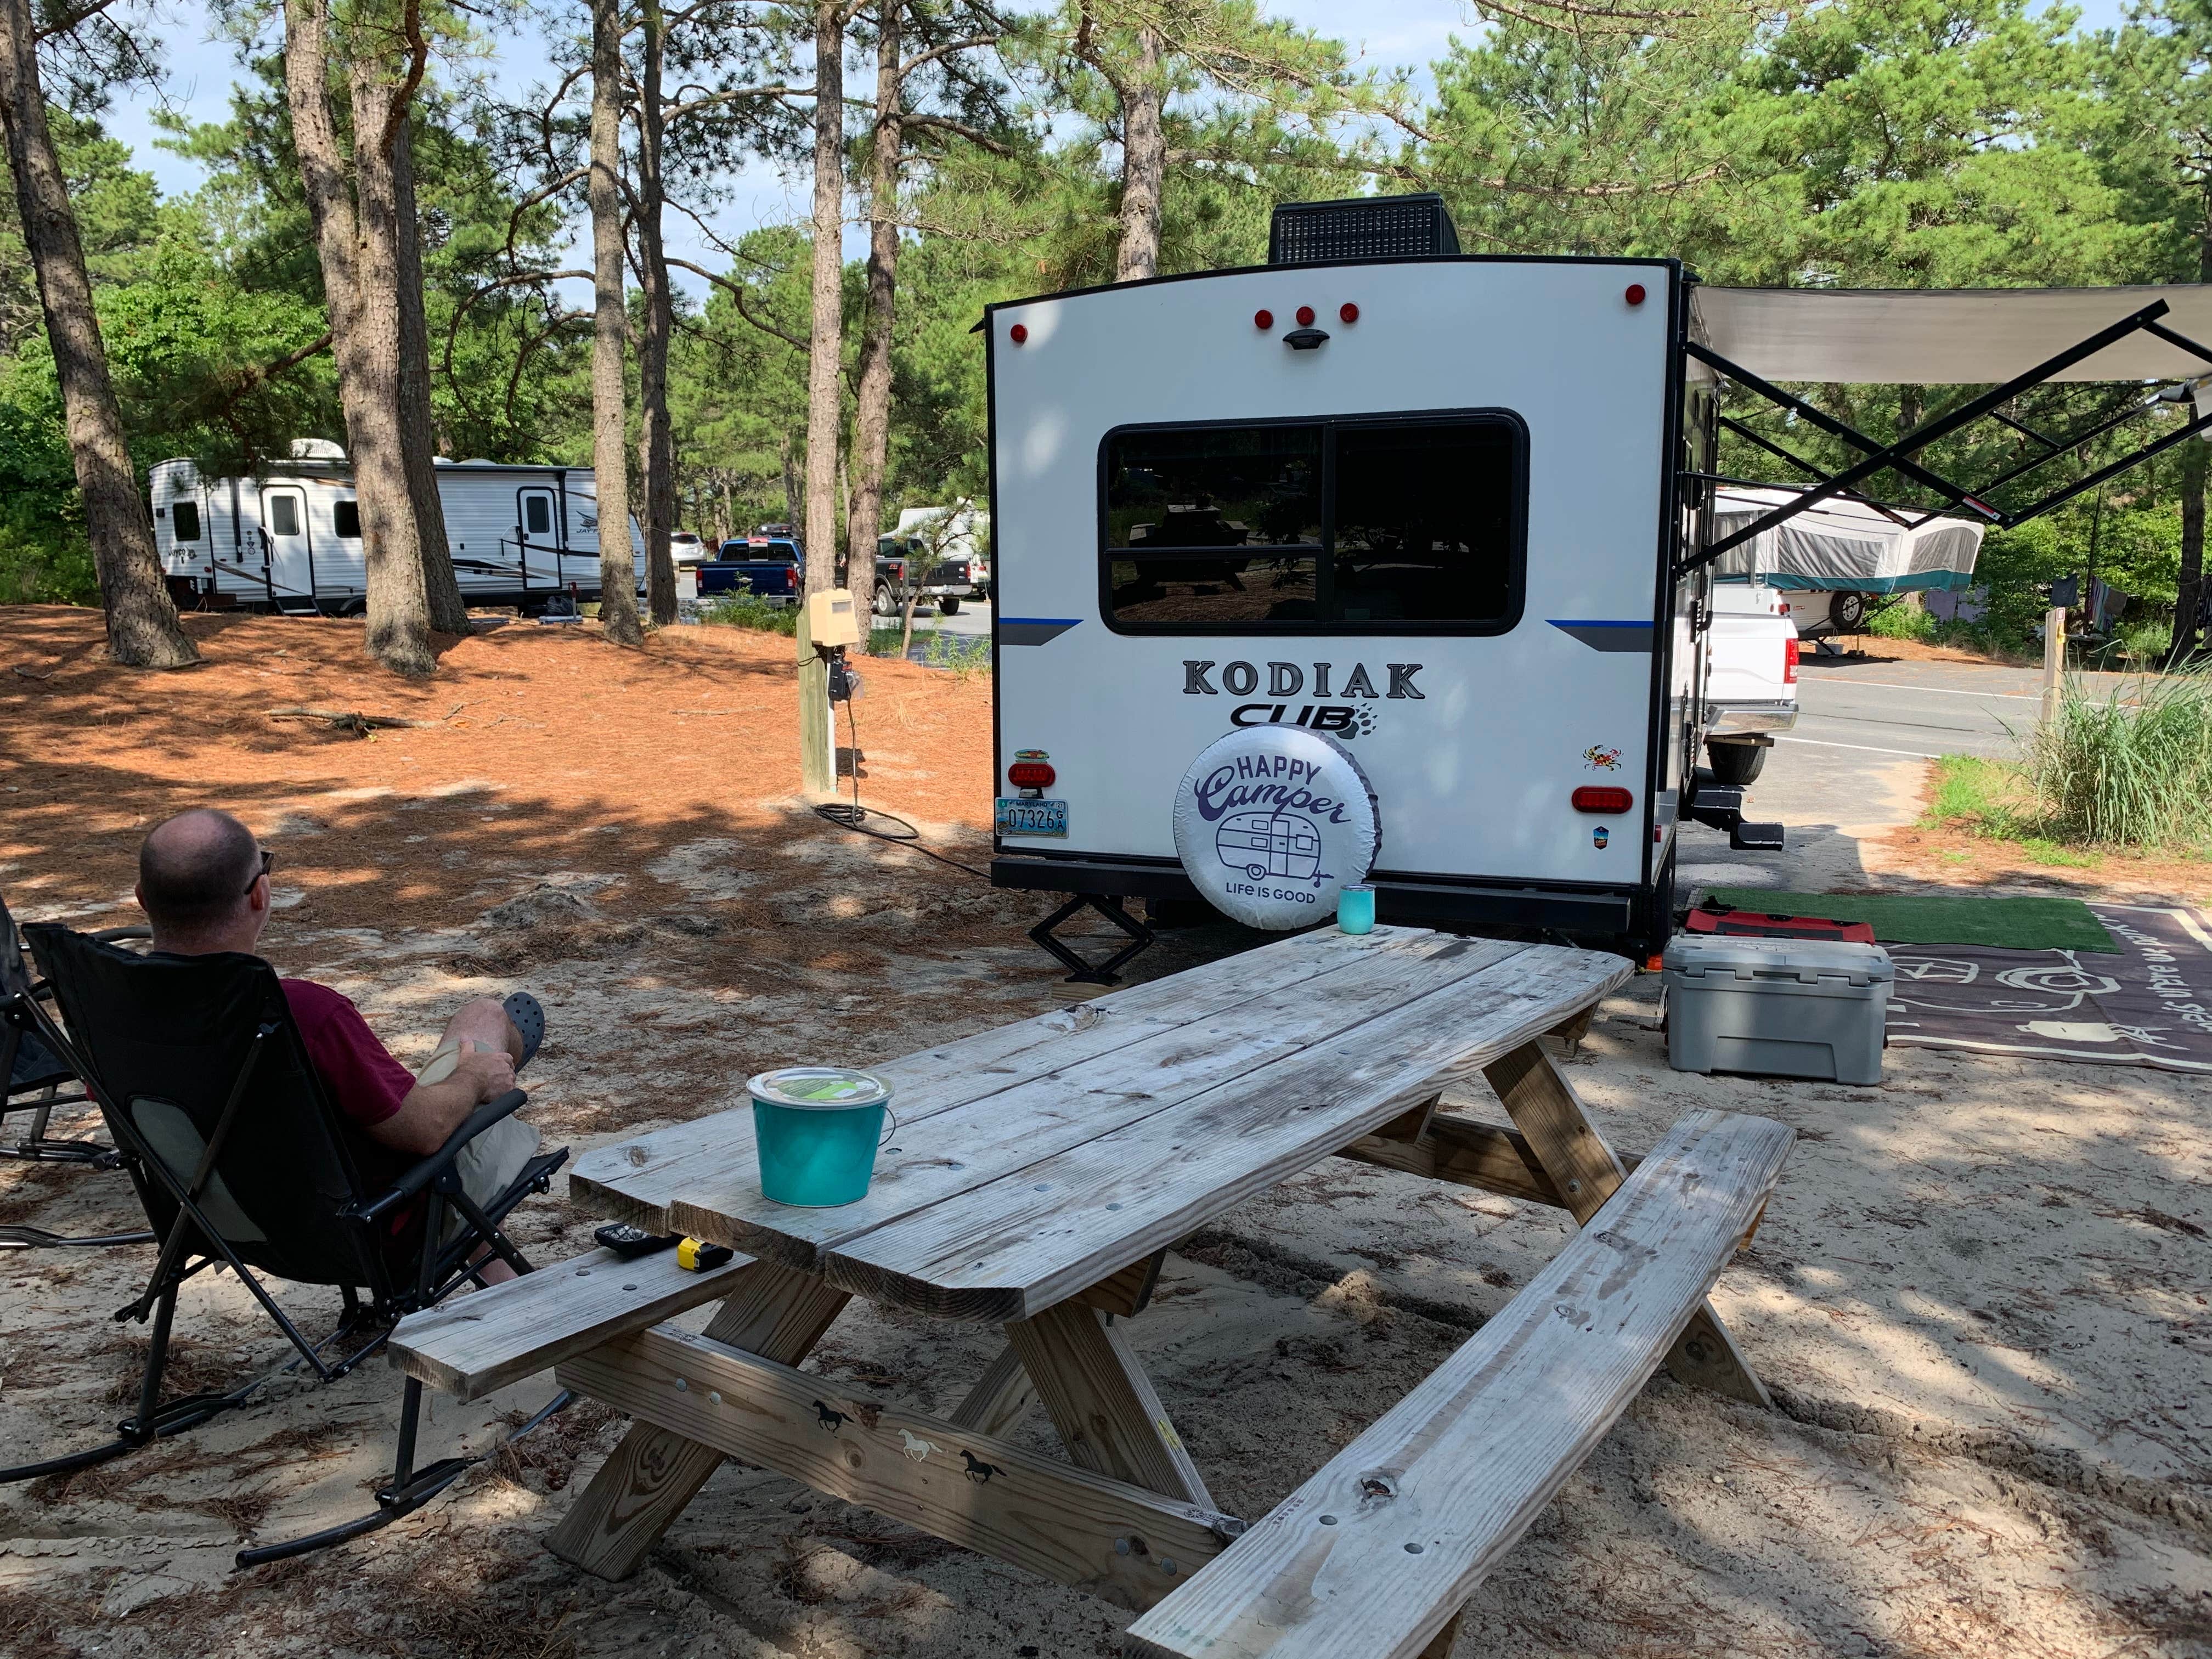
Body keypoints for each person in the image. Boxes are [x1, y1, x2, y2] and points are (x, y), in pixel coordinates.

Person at [133, 808, 543, 1284]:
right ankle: (498, 1067)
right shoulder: (300, 1012)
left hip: (221, 1226)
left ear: (143, 900)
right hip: (376, 1231)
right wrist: (474, 1079)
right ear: (260, 895)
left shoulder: (115, 1014)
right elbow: (426, 1132)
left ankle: (492, 1269)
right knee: (487, 1019)